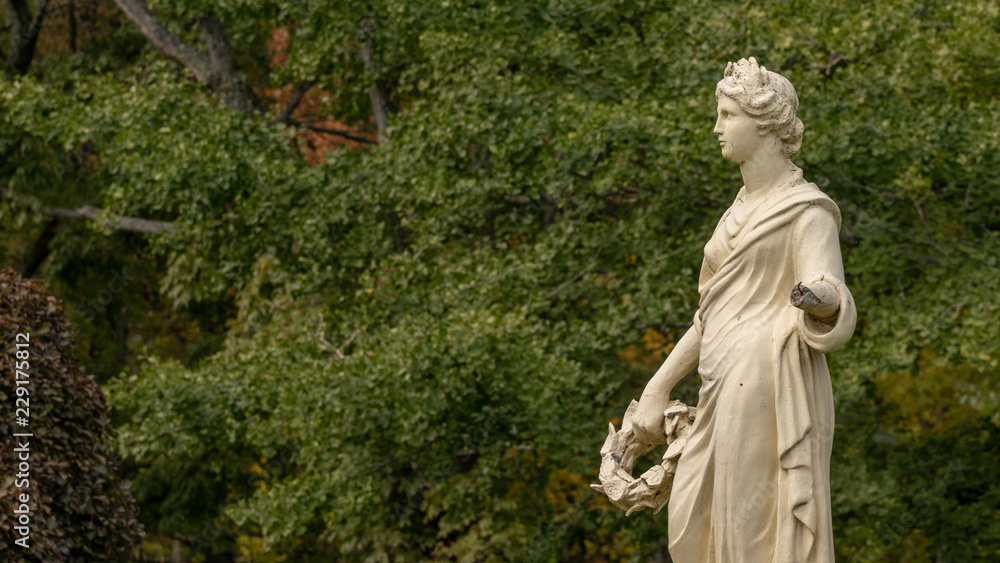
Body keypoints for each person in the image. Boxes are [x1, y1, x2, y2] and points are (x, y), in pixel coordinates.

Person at [628, 57, 857, 562]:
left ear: (765, 124)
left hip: (769, 383)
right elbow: (709, 315)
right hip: (719, 383)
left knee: (750, 528)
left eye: (728, 115)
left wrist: (815, 297)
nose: (717, 128)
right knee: (693, 523)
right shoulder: (735, 211)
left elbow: (829, 292)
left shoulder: (806, 210)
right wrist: (658, 385)